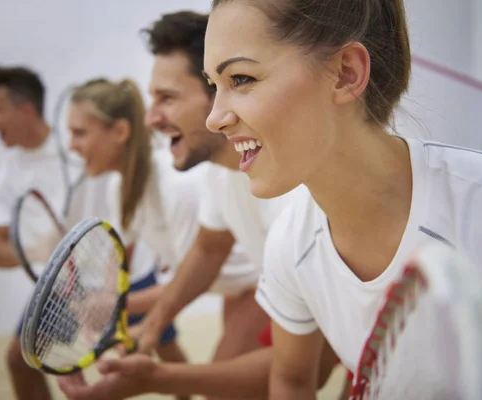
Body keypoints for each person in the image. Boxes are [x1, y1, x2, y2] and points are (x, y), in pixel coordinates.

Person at [204, 0, 482, 398]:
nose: (214, 118)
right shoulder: (289, 243)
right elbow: (291, 382)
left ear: (345, 73)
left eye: (240, 79)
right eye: (213, 86)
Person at [58, 11, 351, 400]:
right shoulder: (219, 171)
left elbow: (301, 373)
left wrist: (153, 379)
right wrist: (156, 321)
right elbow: (209, 248)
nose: (151, 118)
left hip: (333, 317)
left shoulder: (298, 197)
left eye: (167, 98)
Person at [0, 65, 65, 400]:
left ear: (26, 110)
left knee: (160, 352)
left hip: (122, 271)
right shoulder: (5, 178)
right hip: (58, 290)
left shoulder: (78, 146)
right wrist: (40, 252)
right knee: (20, 360)